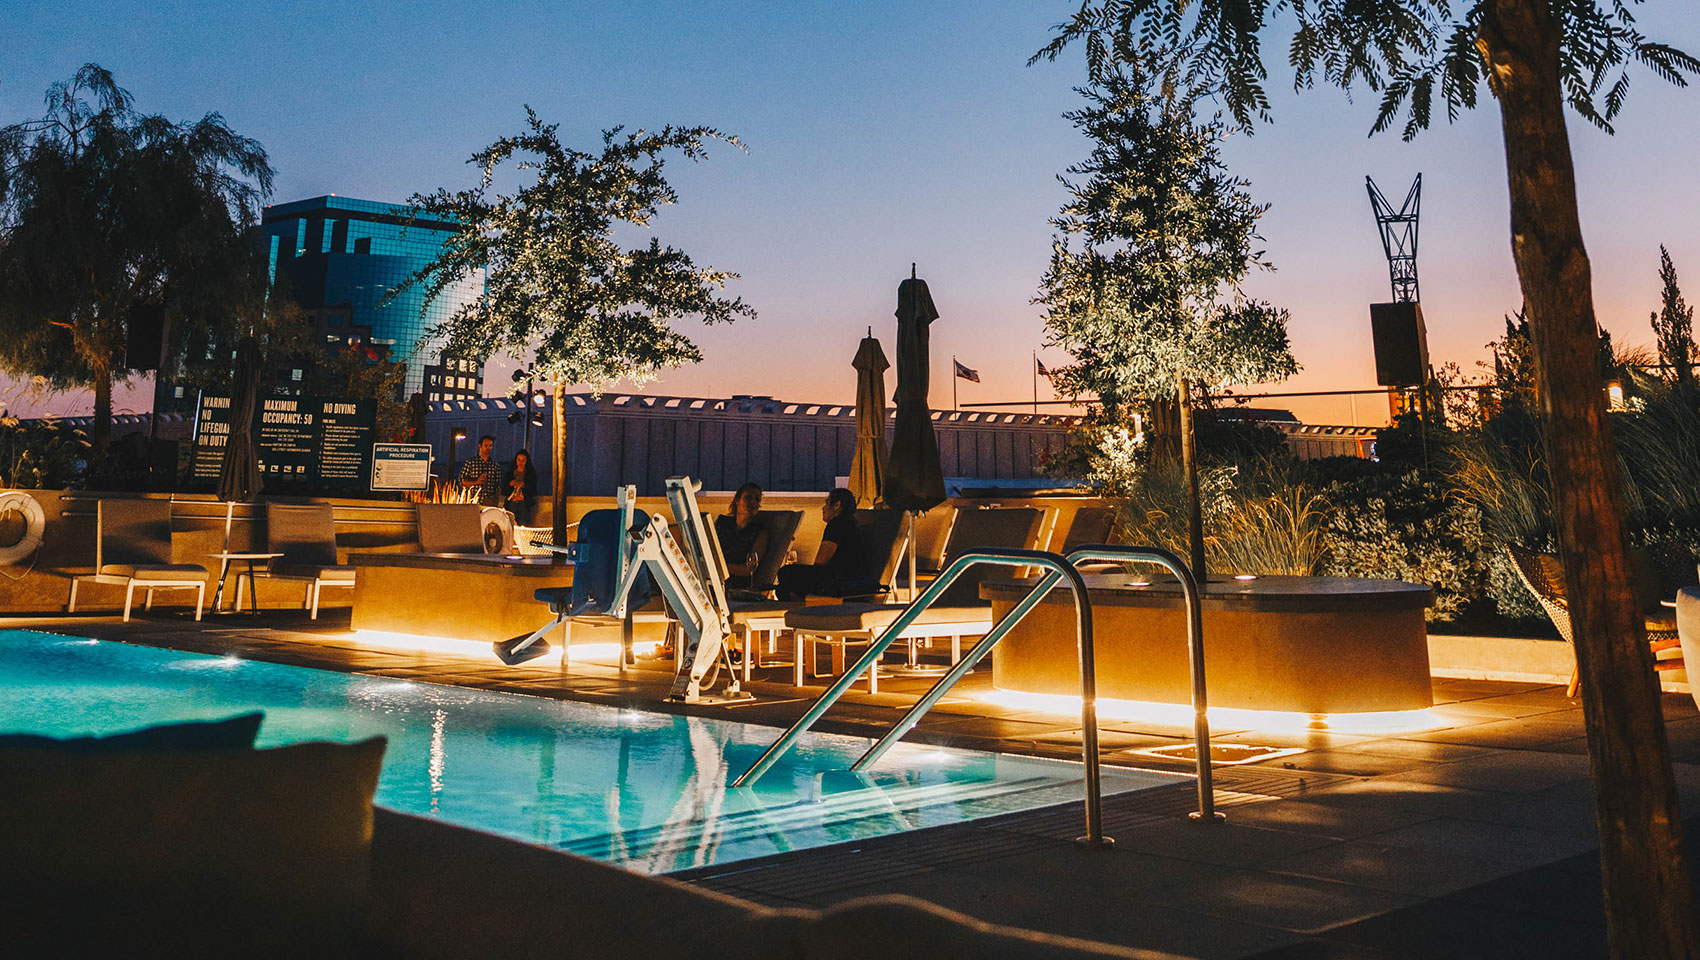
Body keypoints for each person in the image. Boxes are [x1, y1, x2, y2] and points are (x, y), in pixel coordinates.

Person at [776, 488, 875, 601]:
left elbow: (821, 562)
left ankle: (800, 599)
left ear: (837, 505)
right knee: (783, 587)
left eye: (827, 503)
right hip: (850, 578)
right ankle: (796, 596)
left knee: (785, 572)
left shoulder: (836, 524)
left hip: (838, 580)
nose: (823, 508)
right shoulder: (852, 525)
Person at [715, 482, 769, 589]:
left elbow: (748, 570)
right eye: (749, 497)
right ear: (737, 500)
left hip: (736, 583)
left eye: (757, 499)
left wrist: (719, 567)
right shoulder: (722, 523)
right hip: (714, 577)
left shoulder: (760, 533)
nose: (753, 502)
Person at [457, 435, 502, 507]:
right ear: (480, 446)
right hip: (472, 499)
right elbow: (461, 481)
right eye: (486, 445)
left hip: (488, 501)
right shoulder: (471, 462)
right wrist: (476, 481)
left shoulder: (494, 464)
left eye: (490, 446)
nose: (488, 448)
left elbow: (497, 486)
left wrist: (495, 502)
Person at [504, 449, 538, 525]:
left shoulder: (530, 474)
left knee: (523, 525)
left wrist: (524, 485)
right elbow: (504, 489)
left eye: (523, 460)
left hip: (524, 504)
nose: (520, 463)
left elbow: (533, 490)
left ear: (526, 461)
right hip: (511, 503)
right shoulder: (510, 473)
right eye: (519, 460)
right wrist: (510, 484)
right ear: (516, 461)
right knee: (511, 525)